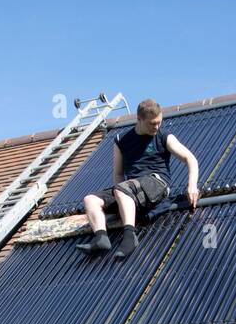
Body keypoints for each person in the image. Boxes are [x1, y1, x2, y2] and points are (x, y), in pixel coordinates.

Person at [76, 98, 199, 261]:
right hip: (131, 190)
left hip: (156, 183)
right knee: (90, 199)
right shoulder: (122, 141)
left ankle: (130, 237)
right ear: (139, 119)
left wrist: (192, 185)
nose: (157, 127)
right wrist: (120, 199)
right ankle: (101, 238)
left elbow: (191, 159)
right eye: (152, 123)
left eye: (159, 122)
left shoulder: (164, 136)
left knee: (123, 190)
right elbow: (119, 173)